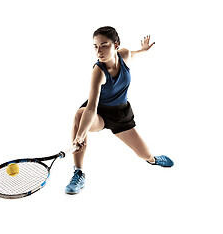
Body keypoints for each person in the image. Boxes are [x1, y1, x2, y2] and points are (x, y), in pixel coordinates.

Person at [65, 26, 174, 195]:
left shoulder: (124, 55)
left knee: (145, 154)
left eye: (104, 45)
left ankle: (153, 160)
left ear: (116, 45)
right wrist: (80, 135)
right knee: (80, 114)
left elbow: (135, 53)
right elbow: (91, 107)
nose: (99, 51)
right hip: (98, 114)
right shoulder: (98, 72)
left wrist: (143, 50)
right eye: (95, 46)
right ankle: (78, 172)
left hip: (121, 115)